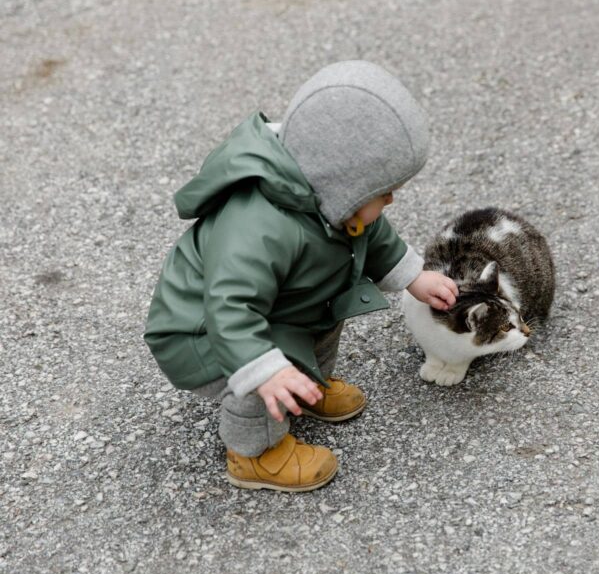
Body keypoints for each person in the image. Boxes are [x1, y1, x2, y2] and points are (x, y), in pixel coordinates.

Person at [144, 61, 458, 492]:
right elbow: (229, 307)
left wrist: (413, 276)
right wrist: (266, 370)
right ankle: (253, 454)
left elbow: (373, 233)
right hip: (204, 331)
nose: (389, 198)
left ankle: (307, 387)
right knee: (263, 373)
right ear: (341, 182)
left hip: (281, 306)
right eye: (382, 190)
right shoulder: (258, 226)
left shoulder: (334, 201)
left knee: (326, 319)